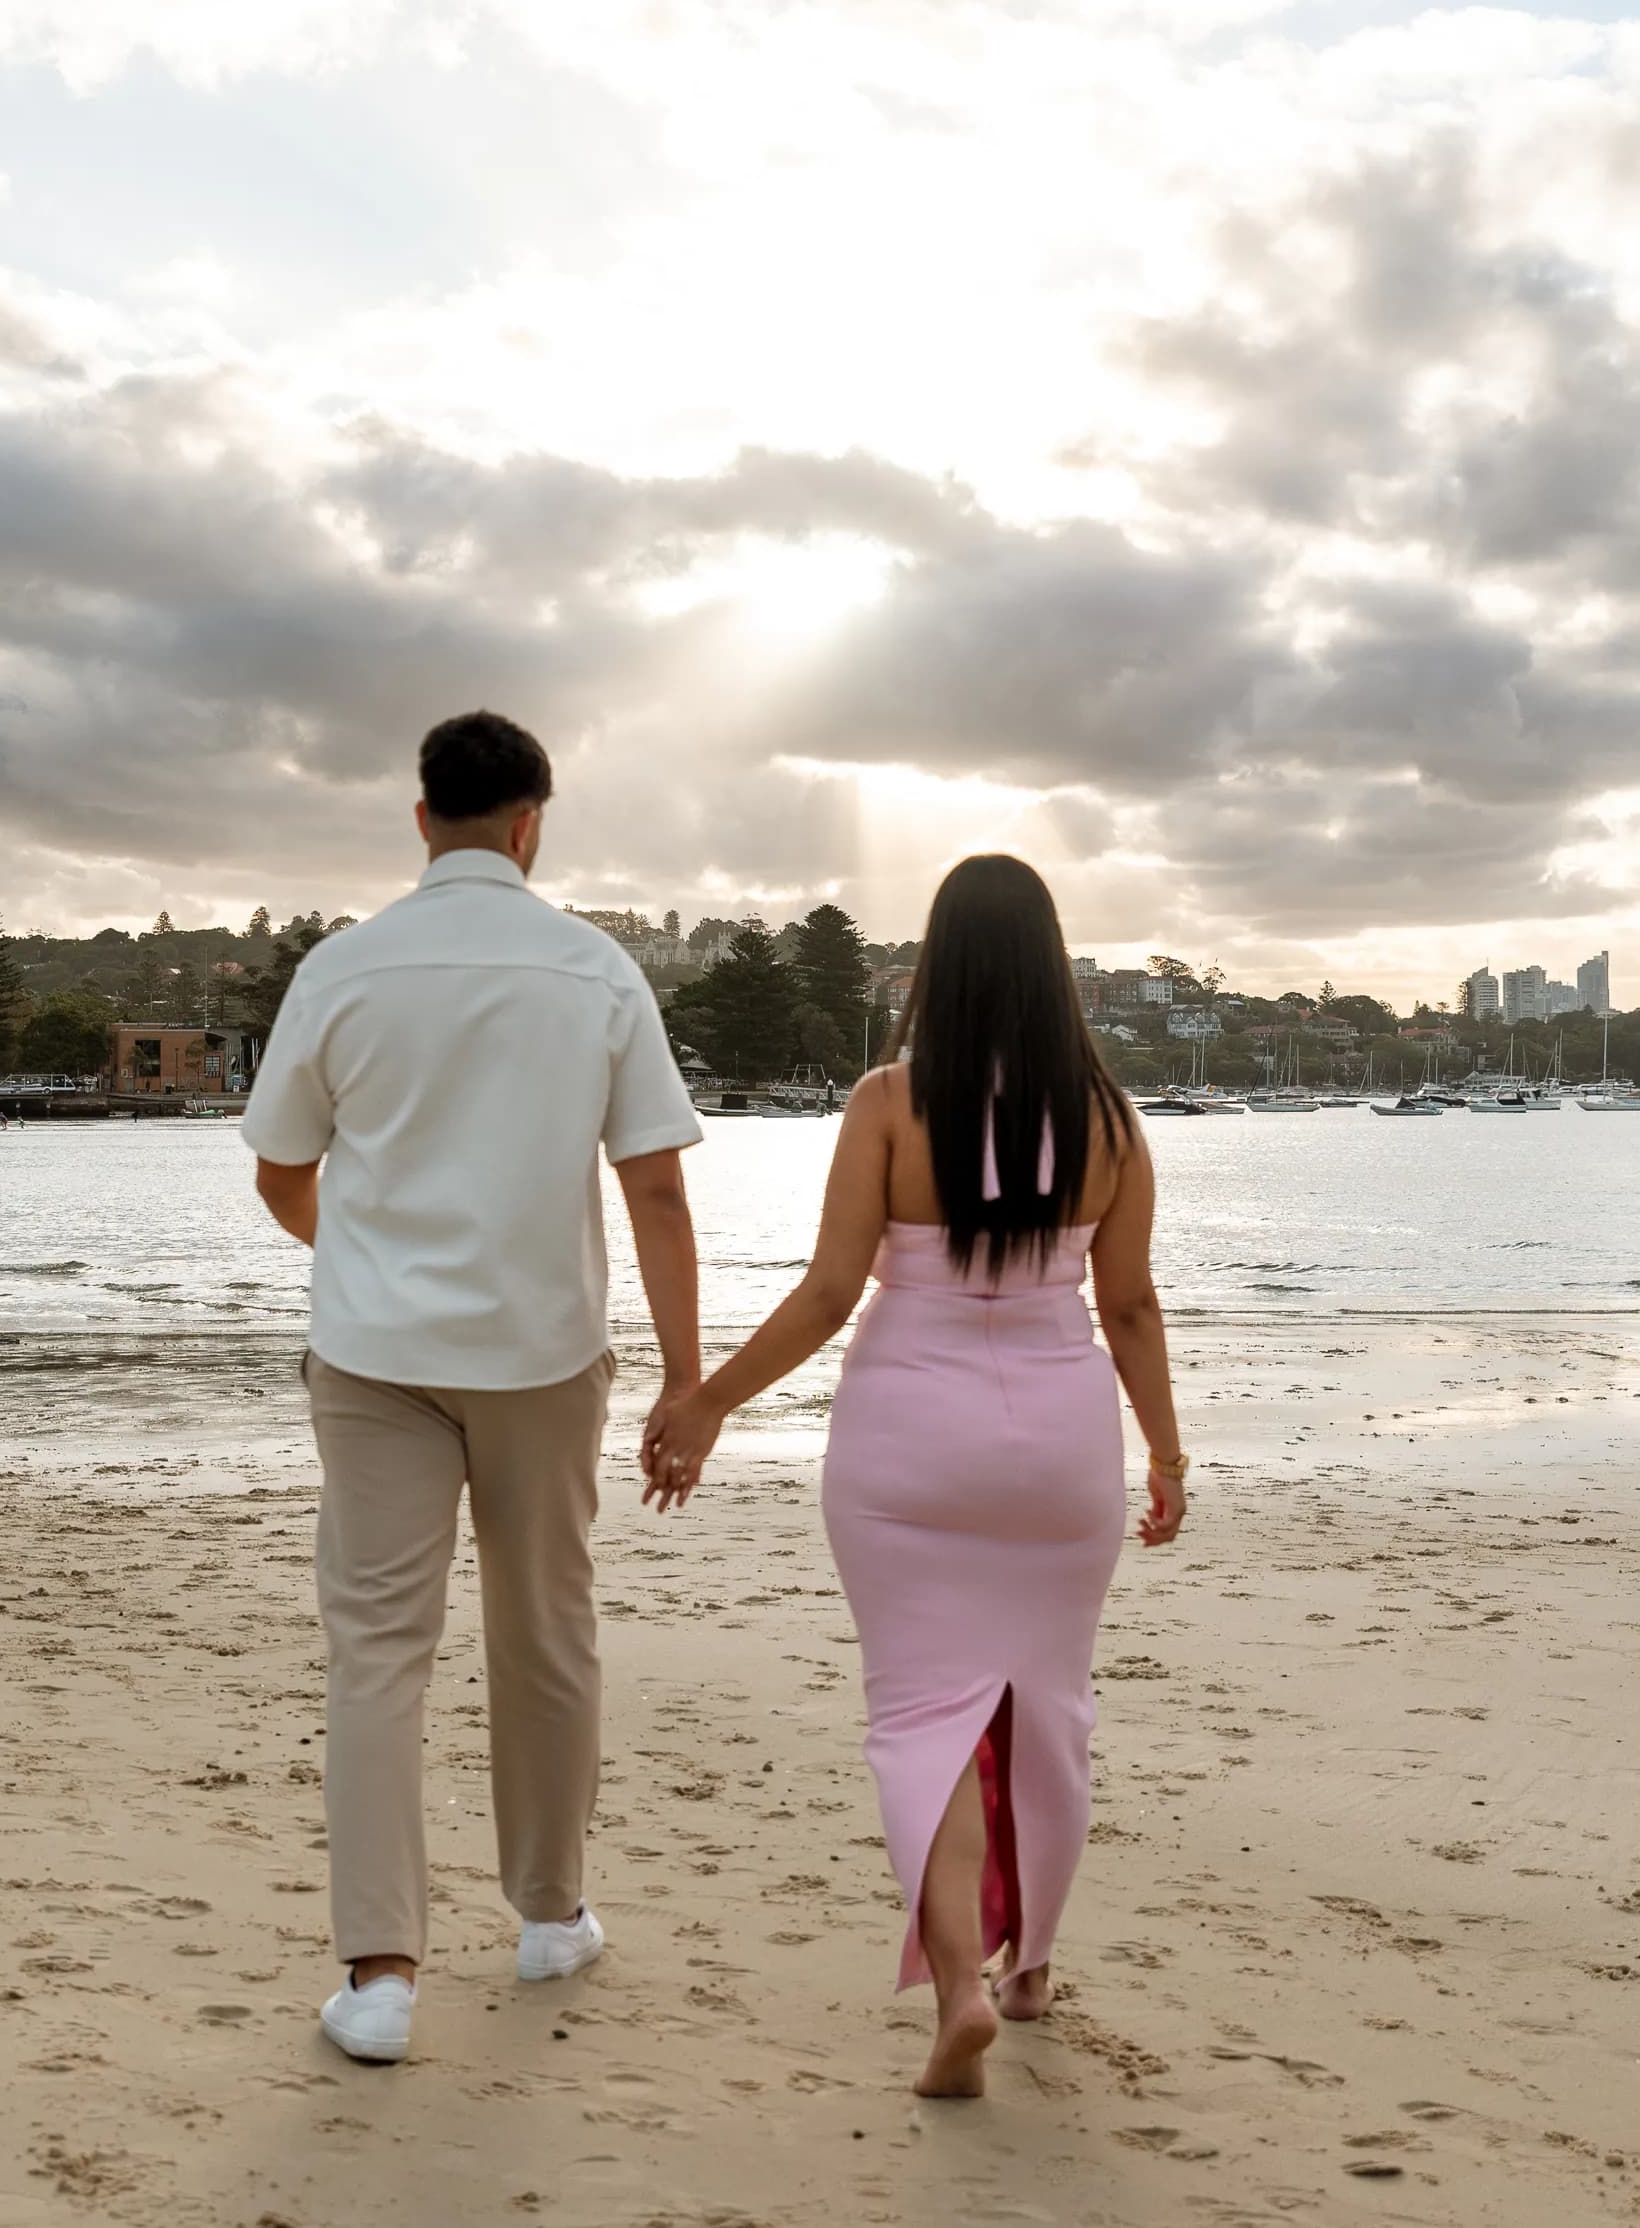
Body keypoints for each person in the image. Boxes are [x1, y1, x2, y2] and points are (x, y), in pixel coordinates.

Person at [644, 854, 1187, 2099]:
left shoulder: (888, 1100)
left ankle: (957, 1989)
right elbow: (1131, 1307)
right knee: (1049, 1706)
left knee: (920, 1714)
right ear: (1052, 970)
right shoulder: (1109, 1118)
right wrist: (1164, 1451)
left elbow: (830, 1290)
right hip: (1059, 1445)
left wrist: (707, 1399)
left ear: (935, 967)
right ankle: (1030, 1966)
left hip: (907, 1441)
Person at [243, 710, 703, 2066]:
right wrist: (688, 1377)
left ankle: (380, 1976)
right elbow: (656, 1187)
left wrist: (362, 1257)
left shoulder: (344, 966)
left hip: (375, 1356)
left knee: (377, 1652)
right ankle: (550, 1916)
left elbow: (279, 1167)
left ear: (421, 817)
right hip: (541, 1355)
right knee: (546, 1632)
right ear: (529, 823)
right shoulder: (594, 968)